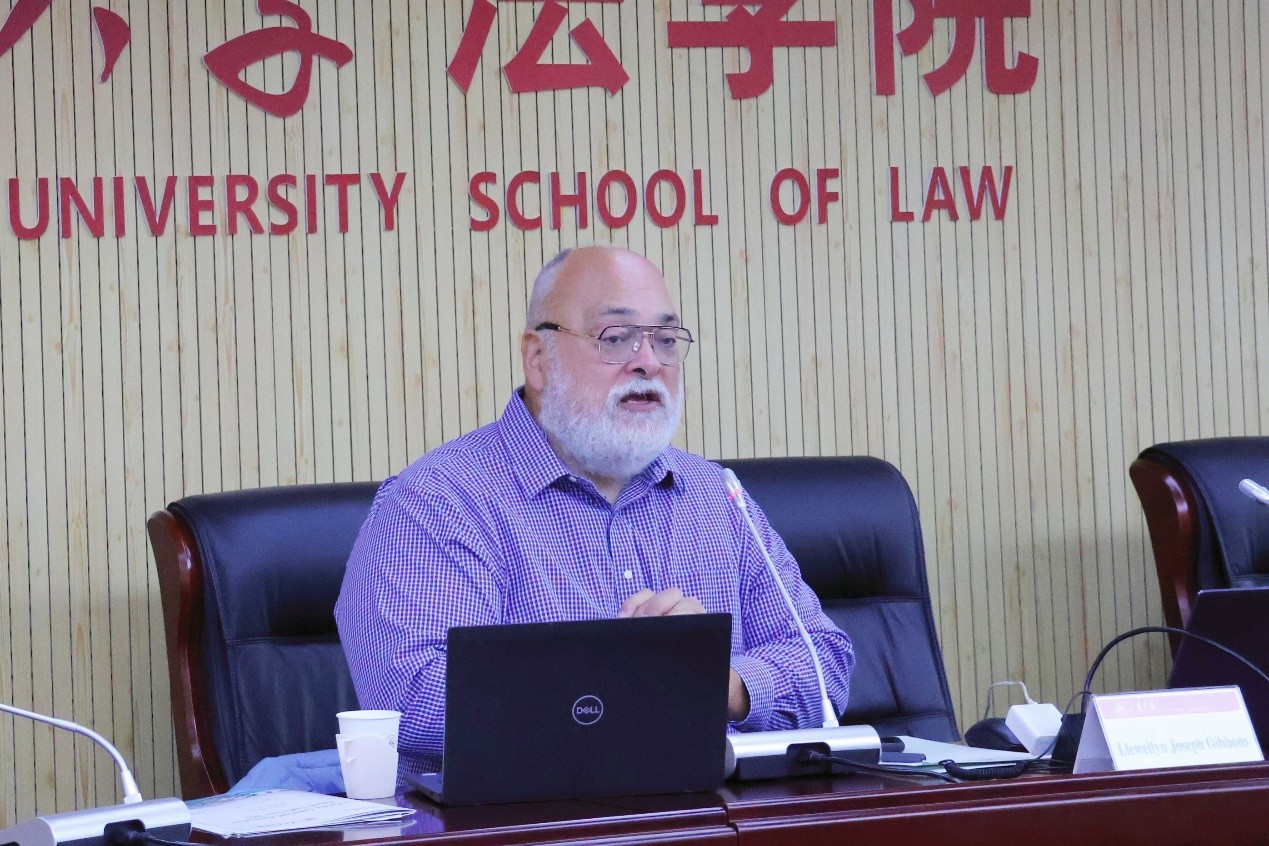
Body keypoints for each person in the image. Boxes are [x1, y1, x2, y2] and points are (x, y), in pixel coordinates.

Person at [335, 245, 853, 778]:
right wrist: (620, 677)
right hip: (524, 819)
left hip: (717, 811)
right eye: (616, 337)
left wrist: (724, 684)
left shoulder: (716, 496)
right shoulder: (437, 502)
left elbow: (825, 665)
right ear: (539, 359)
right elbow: (411, 698)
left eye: (666, 340)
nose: (649, 362)